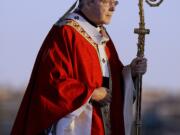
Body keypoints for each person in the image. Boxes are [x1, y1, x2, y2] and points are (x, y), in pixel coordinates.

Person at [11, 0, 147, 135]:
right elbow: (50, 83)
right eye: (107, 2)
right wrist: (90, 93)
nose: (113, 8)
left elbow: (113, 82)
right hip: (77, 127)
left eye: (115, 2)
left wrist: (132, 73)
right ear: (88, 2)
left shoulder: (101, 34)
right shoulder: (66, 32)